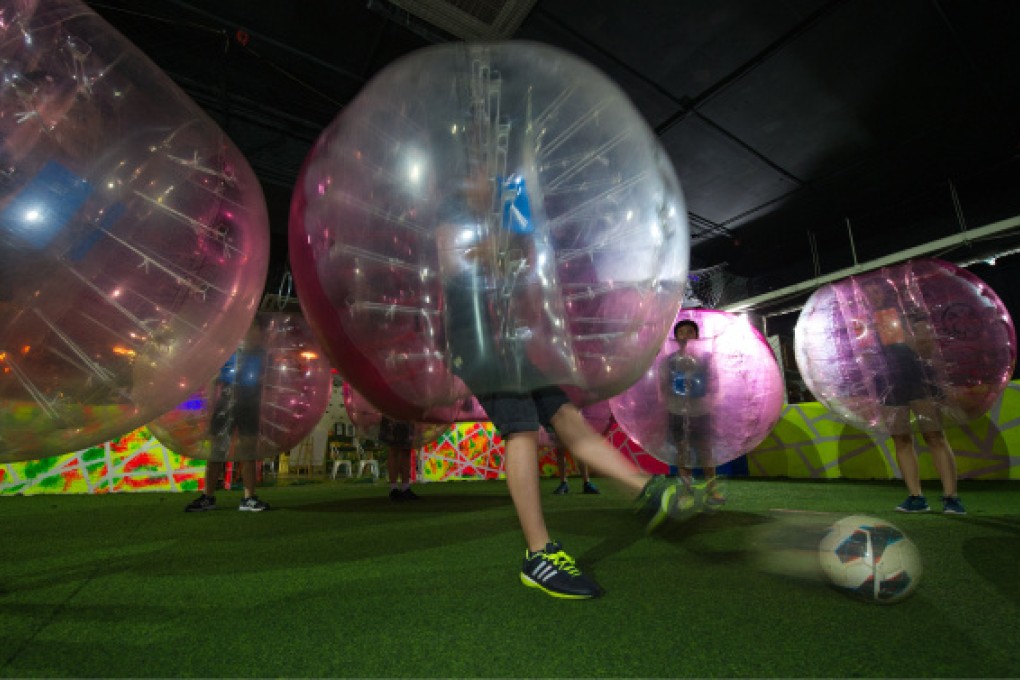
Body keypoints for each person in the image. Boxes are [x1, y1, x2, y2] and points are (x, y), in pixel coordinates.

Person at [437, 167, 678, 600]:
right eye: (478, 176)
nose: (489, 182)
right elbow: (455, 263)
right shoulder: (453, 217)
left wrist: (518, 242)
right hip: (475, 341)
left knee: (566, 415)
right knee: (522, 428)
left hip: (509, 341)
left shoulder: (504, 217)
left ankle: (650, 490)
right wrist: (498, 246)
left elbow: (524, 266)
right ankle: (538, 554)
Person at [858, 279, 965, 515]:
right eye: (868, 294)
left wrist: (900, 330)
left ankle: (951, 497)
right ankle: (916, 497)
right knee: (901, 439)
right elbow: (866, 361)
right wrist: (867, 345)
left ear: (887, 293)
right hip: (888, 383)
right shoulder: (863, 322)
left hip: (919, 378)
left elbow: (926, 350)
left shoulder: (910, 314)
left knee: (934, 435)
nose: (872, 297)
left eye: (876, 291)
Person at [186, 324, 270, 513]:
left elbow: (266, 383)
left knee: (248, 450)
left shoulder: (262, 355)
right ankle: (208, 496)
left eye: (255, 331)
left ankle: (248, 498)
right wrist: (208, 412)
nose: (251, 335)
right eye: (249, 330)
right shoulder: (228, 352)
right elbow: (214, 381)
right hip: (226, 400)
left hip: (250, 402)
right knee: (217, 450)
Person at [662, 319, 725, 510]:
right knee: (683, 451)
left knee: (706, 450)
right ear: (676, 337)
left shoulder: (706, 358)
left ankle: (712, 489)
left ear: (697, 336)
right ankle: (685, 491)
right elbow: (662, 386)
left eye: (691, 331)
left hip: (701, 411)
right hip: (677, 411)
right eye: (682, 332)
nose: (686, 335)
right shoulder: (669, 360)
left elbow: (715, 383)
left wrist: (711, 403)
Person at [378, 415, 419, 501]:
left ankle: (404, 487)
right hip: (392, 411)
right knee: (394, 449)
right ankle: (394, 488)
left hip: (406, 412)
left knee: (406, 449)